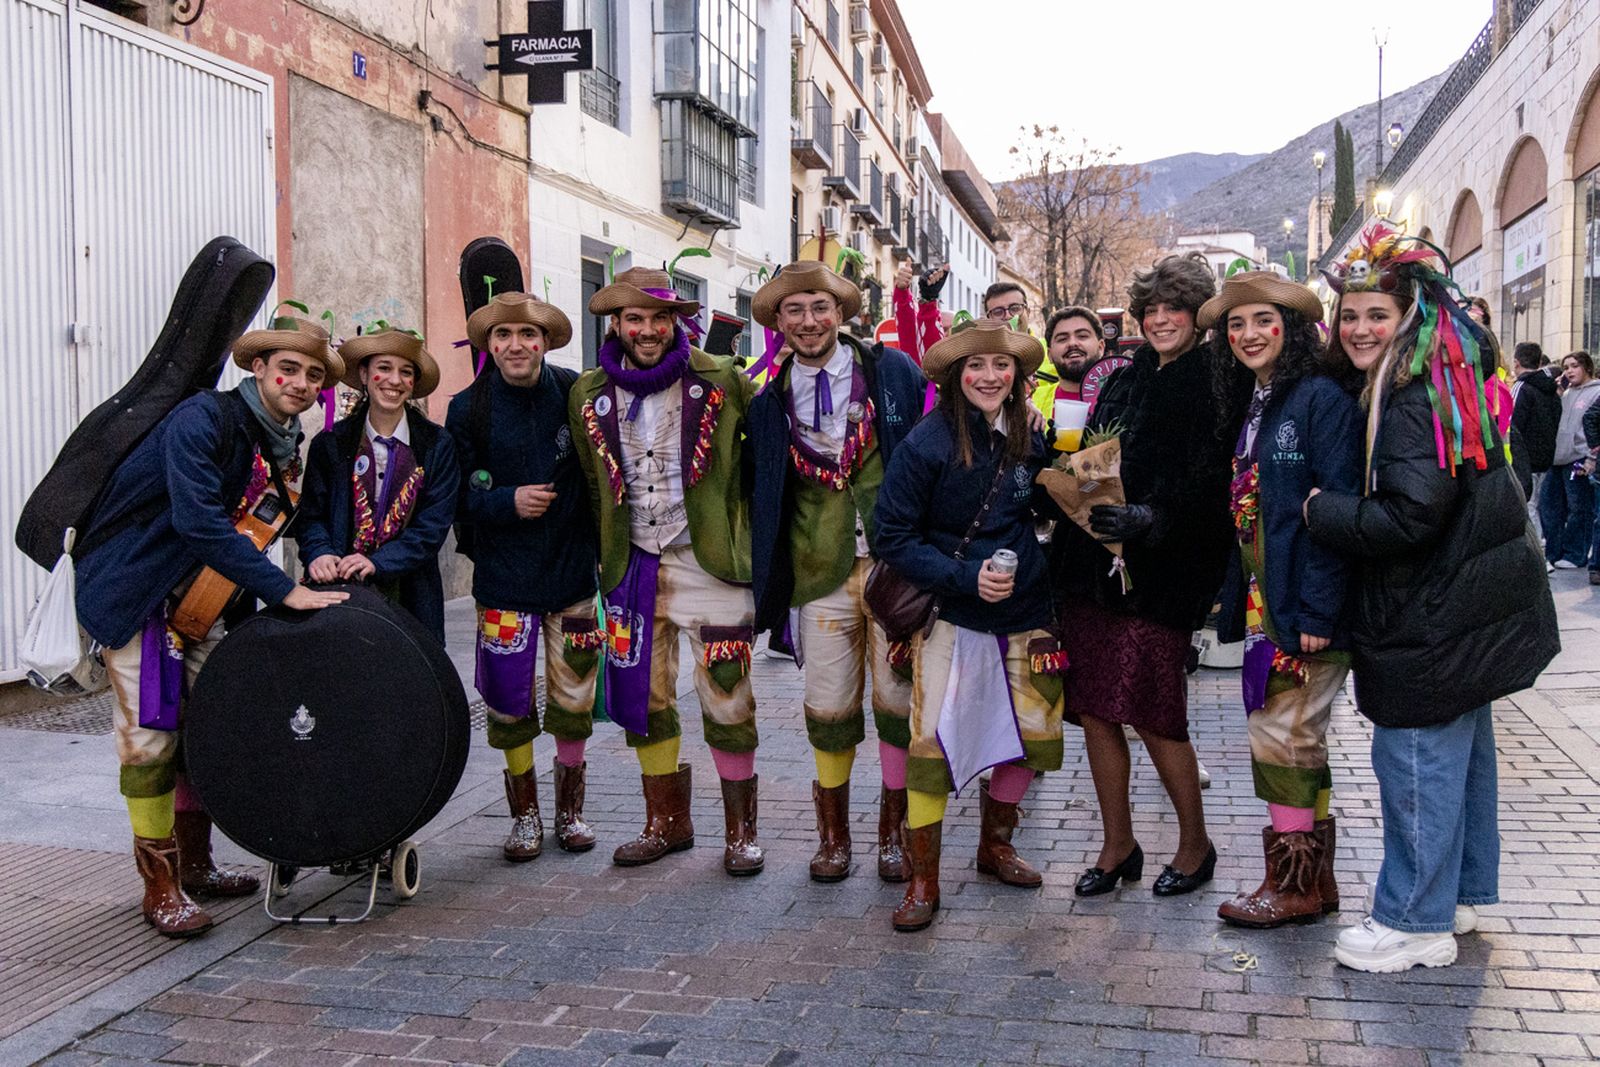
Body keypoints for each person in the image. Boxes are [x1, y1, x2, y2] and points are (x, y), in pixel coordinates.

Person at [1306, 223, 1558, 971]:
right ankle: (1463, 895)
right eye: (1348, 316)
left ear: (1411, 316)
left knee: (1416, 760)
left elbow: (1411, 515)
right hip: (1465, 606)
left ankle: (1413, 921)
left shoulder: (1411, 396)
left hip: (1432, 614)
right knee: (1463, 757)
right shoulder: (1439, 378)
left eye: (1375, 315)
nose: (1358, 329)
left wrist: (1323, 509)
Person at [74, 313, 350, 937]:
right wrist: (287, 591)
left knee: (205, 729)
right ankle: (160, 887)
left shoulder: (280, 442)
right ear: (259, 369)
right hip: (140, 590)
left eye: (312, 375)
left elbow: (280, 517)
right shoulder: (205, 418)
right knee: (150, 738)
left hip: (205, 600)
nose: (300, 383)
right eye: (288, 369)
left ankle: (196, 865)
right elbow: (198, 521)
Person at [1049, 253, 1238, 899]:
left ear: (1197, 315)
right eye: (1151, 309)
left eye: (1173, 309)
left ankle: (1194, 843)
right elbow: (1091, 452)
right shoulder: (1124, 376)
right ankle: (1118, 843)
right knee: (1097, 711)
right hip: (1094, 568)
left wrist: (1153, 515)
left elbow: (1215, 481)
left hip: (1164, 574)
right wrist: (1063, 475)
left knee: (1157, 714)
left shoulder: (1218, 376)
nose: (1160, 319)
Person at [874, 320, 1066, 931]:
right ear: (957, 375)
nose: (990, 376)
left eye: (1002, 366)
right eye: (977, 366)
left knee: (1034, 740)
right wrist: (964, 578)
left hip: (1027, 612)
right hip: (952, 615)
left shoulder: (1030, 435)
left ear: (1018, 376)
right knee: (930, 748)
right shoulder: (926, 443)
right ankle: (923, 881)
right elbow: (891, 536)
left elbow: (1034, 505)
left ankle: (994, 846)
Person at [571, 267, 763, 875]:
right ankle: (666, 823)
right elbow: (593, 484)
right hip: (632, 564)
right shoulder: (587, 394)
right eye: (635, 319)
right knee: (645, 697)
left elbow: (760, 462)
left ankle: (741, 833)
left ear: (677, 322)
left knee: (728, 694)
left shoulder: (723, 379)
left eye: (660, 319)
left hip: (707, 562)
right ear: (616, 324)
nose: (649, 330)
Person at [749, 260, 927, 883]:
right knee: (826, 707)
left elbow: (936, 437)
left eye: (819, 307)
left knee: (897, 702)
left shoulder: (891, 371)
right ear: (778, 321)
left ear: (841, 312)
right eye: (793, 310)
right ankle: (833, 838)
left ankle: (893, 833)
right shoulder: (768, 399)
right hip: (818, 573)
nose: (807, 321)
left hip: (894, 569)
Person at [1203, 273, 1362, 928]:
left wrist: (1320, 611)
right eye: (1236, 325)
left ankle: (1290, 886)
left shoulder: (1318, 398)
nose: (1247, 335)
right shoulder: (1262, 399)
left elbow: (1337, 510)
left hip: (1304, 602)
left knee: (1282, 735)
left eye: (1262, 320)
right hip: (1272, 596)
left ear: (1291, 328)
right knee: (1297, 735)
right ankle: (1314, 881)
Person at [447, 294, 601, 861]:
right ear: (489, 344)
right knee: (509, 703)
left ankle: (570, 813)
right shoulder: (467, 409)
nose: (517, 344)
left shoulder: (575, 392)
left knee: (575, 699)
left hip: (572, 578)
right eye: (504, 334)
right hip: (504, 582)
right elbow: (454, 496)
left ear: (545, 341)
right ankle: (526, 818)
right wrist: (506, 501)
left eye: (528, 334)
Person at [299, 327, 459, 643]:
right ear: (364, 373)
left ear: (414, 384)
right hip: (341, 591)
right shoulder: (331, 444)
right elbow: (312, 515)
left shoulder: (436, 445)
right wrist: (319, 553)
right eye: (384, 368)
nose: (394, 380)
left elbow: (431, 528)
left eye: (405, 372)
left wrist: (376, 562)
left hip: (412, 595)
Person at [1537, 351, 1600, 569]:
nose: (1569, 371)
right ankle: (1554, 551)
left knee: (1579, 507)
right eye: (1566, 367)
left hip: (1579, 457)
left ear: (1586, 367)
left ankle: (1575, 553)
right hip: (1558, 457)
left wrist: (1592, 457)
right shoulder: (1565, 393)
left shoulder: (1596, 392)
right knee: (1547, 504)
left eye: (1574, 366)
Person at [1031, 305, 1104, 437]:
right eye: (1062, 339)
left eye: (1082, 336)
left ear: (1101, 348)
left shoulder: (1121, 398)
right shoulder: (1031, 402)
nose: (1072, 343)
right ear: (1050, 355)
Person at [1510, 341, 1559, 512]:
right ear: (1539, 363)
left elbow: (1512, 424)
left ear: (1516, 363)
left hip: (1523, 459)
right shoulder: (1552, 392)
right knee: (1538, 506)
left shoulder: (1521, 387)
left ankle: (1532, 539)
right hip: (1546, 458)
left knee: (1525, 505)